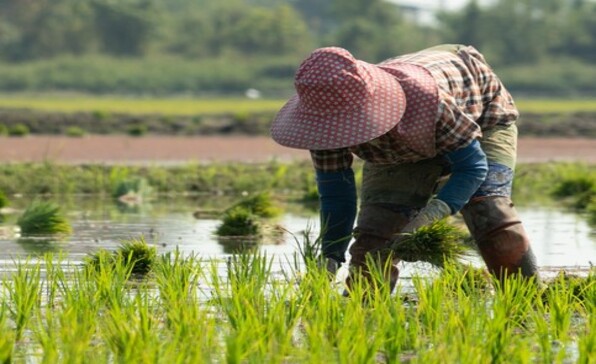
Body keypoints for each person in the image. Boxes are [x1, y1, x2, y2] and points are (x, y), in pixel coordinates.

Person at [270, 44, 539, 292]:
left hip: (479, 115)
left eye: (348, 124)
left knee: (488, 210)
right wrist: (330, 255)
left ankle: (527, 300)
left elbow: (472, 167)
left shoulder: (424, 98)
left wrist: (430, 215)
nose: (342, 134)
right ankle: (363, 317)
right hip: (399, 148)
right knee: (375, 239)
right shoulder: (322, 127)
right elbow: (337, 196)